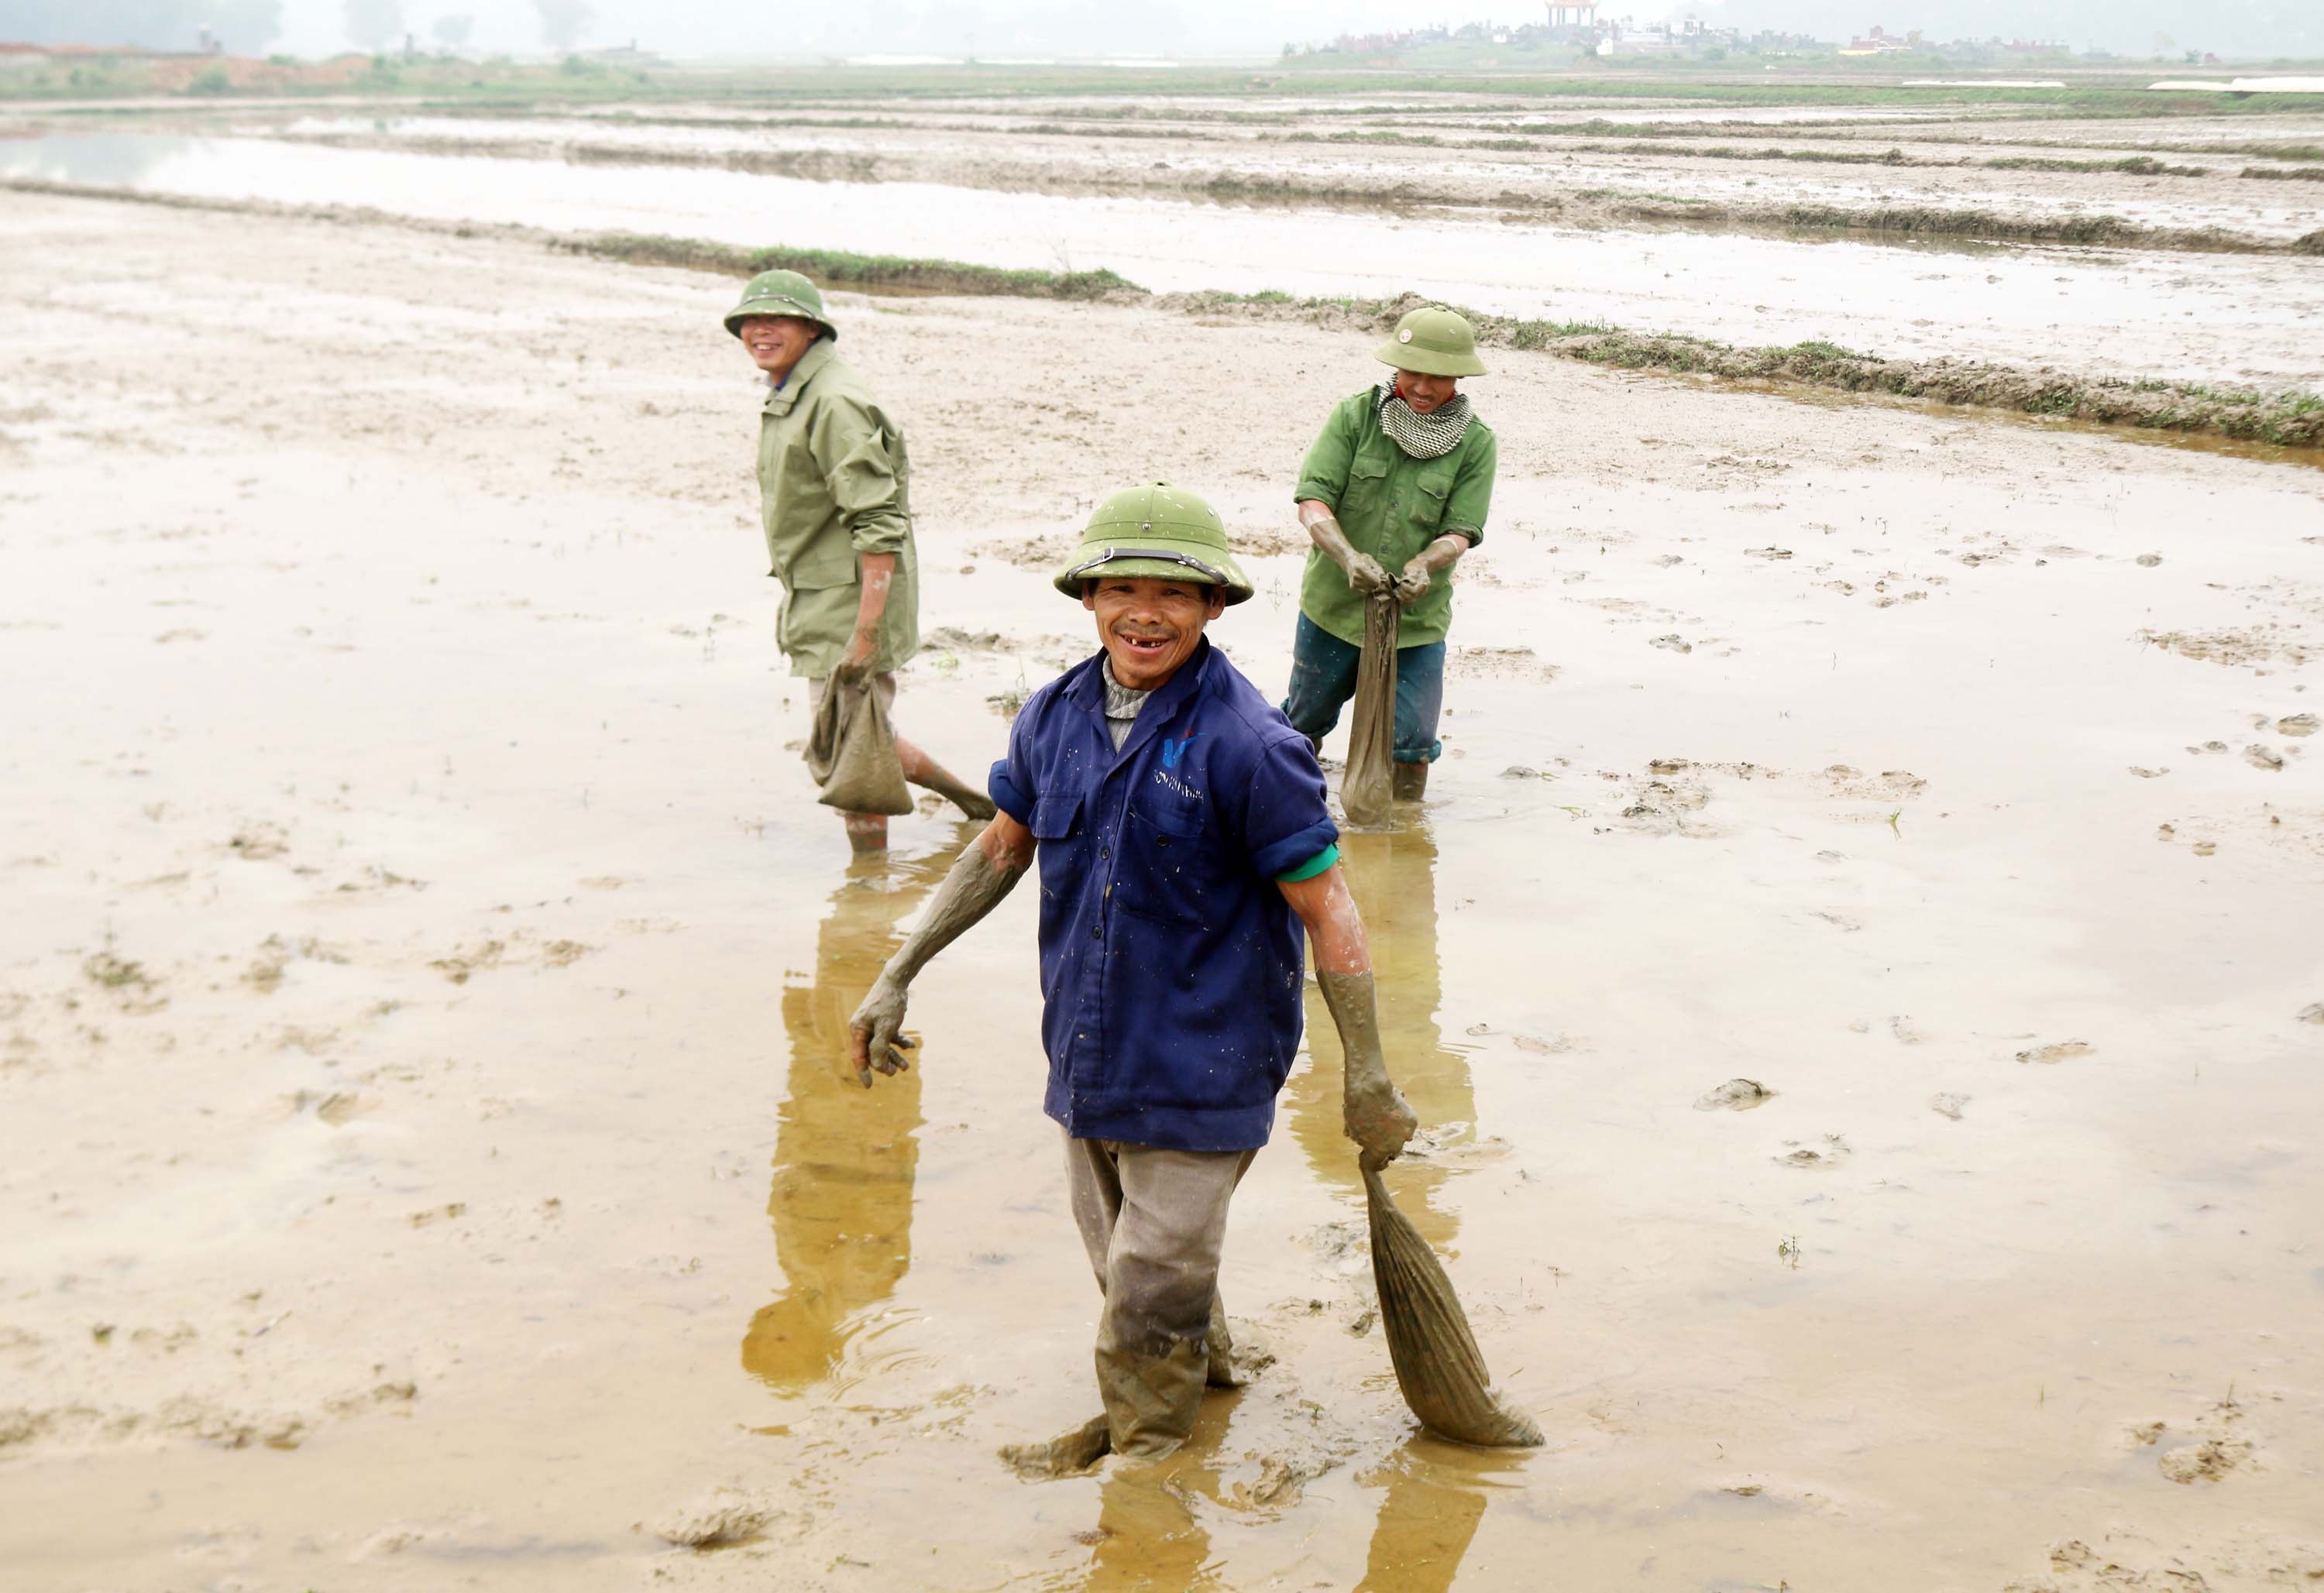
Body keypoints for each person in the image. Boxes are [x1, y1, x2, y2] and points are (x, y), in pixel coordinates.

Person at [845, 482, 1419, 1470]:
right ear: (1089, 599)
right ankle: (1214, 1372)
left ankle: (1150, 1478)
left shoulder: (1252, 745)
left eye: (1174, 593)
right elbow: (999, 847)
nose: (1144, 612)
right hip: (1087, 1046)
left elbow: (1329, 908)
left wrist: (1365, 1072)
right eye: (1122, 588)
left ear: (1213, 609)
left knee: (1150, 1280)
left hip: (1208, 1057)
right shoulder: (1055, 715)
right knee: (1130, 1264)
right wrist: (896, 967)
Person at [724, 268, 992, 850]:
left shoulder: (834, 402)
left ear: (813, 328)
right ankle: (981, 807)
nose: (760, 329)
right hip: (823, 596)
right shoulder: (795, 392)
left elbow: (878, 524)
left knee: (852, 764)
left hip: (852, 603)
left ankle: (869, 894)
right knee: (857, 738)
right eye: (751, 319)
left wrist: (866, 633)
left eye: (778, 319)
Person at [1284, 304, 1499, 803]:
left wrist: (1425, 564)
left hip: (1416, 619)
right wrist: (1346, 556)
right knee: (1302, 721)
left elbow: (1462, 530)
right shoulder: (1355, 417)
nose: (1424, 388)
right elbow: (1313, 501)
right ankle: (1289, 809)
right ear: (1395, 369)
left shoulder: (1475, 443)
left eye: (1440, 379)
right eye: (1414, 373)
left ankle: (1400, 834)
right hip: (1332, 607)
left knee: (1412, 742)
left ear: (1460, 378)